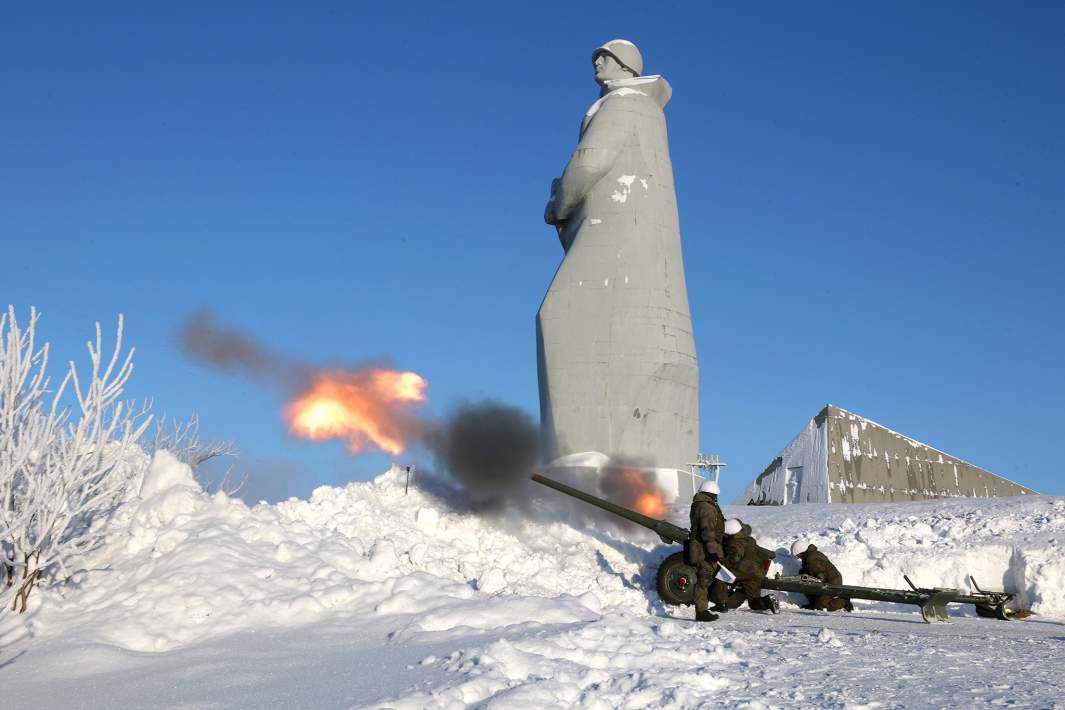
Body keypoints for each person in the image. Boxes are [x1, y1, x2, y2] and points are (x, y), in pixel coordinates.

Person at [712, 518, 779, 613]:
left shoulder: (734, 543)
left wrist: (724, 564)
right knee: (753, 602)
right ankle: (768, 601)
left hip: (742, 571)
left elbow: (735, 558)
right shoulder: (750, 540)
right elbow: (768, 554)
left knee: (720, 577)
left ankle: (721, 604)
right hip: (756, 573)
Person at [688, 479, 725, 622]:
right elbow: (707, 531)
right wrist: (713, 550)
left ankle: (703, 609)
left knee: (705, 578)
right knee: (704, 579)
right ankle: (701, 611)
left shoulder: (702, 505)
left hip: (702, 548)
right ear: (712, 493)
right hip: (704, 550)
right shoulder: (706, 508)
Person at [791, 540, 853, 612]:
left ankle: (844, 602)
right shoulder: (809, 556)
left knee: (822, 604)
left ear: (801, 551)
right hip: (826, 581)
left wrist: (812, 580)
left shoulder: (812, 559)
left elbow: (820, 576)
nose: (799, 558)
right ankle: (814, 604)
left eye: (798, 556)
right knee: (809, 590)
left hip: (832, 581)